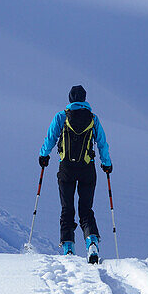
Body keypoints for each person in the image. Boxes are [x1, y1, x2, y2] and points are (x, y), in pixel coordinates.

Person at [38, 85, 112, 263]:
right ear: (84, 99)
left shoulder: (62, 116)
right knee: (86, 210)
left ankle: (68, 247)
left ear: (70, 98)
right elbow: (102, 143)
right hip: (88, 168)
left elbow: (50, 138)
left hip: (66, 169)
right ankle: (92, 242)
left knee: (67, 209)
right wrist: (107, 164)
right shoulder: (93, 118)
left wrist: (43, 155)